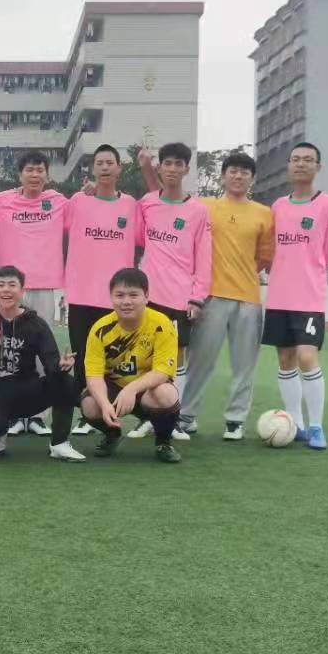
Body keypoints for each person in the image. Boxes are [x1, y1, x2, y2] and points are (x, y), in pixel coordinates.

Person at [141, 152, 273, 440]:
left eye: (245, 172)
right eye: (233, 171)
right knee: (199, 361)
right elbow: (163, 200)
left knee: (244, 364)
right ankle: (185, 415)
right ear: (223, 176)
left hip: (249, 299)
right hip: (211, 298)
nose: (238, 176)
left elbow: (264, 257)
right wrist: (147, 168)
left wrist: (241, 272)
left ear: (252, 178)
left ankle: (235, 421)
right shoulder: (204, 207)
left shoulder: (264, 213)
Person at [0, 151, 69, 437]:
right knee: (9, 349)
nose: (35, 175)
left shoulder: (58, 201)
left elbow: (82, 208)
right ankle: (13, 413)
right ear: (20, 174)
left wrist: (88, 190)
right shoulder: (1, 201)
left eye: (40, 170)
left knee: (41, 352)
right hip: (9, 288)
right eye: (29, 170)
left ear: (47, 175)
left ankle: (37, 417)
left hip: (45, 283)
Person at [130, 142, 211, 442]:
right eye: (168, 163)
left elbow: (205, 258)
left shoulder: (198, 211)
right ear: (160, 167)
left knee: (176, 361)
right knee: (146, 359)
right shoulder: (147, 203)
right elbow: (139, 238)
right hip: (148, 297)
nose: (173, 169)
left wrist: (197, 298)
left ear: (187, 169)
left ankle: (172, 419)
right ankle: (147, 418)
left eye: (179, 164)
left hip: (179, 298)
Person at [262, 142, 328, 450]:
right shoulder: (278, 206)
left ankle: (317, 426)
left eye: (308, 160)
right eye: (295, 159)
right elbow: (272, 248)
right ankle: (296, 423)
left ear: (318, 167)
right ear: (288, 166)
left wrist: (311, 272)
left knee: (307, 357)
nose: (301, 164)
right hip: (279, 295)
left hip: (309, 296)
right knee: (285, 359)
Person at [0, 266, 84, 461]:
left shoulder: (35, 323)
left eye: (12, 285)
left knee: (66, 382)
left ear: (22, 291)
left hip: (27, 390)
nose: (6, 289)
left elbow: (51, 362)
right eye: (1, 285)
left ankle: (59, 443)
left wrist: (61, 365)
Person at [63, 144, 141, 435]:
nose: (105, 167)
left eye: (110, 162)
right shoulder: (78, 201)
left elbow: (144, 239)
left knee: (116, 360)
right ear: (93, 169)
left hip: (117, 299)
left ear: (120, 168)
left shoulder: (131, 205)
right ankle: (88, 414)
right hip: (81, 295)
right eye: (100, 163)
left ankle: (118, 410)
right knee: (84, 358)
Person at [80, 268, 183, 463]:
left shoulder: (162, 324)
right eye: (119, 295)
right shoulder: (100, 329)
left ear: (146, 296)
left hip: (147, 391)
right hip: (115, 390)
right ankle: (112, 434)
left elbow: (162, 372)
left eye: (133, 295)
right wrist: (104, 404)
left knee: (166, 394)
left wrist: (131, 389)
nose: (126, 301)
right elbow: (93, 375)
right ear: (111, 297)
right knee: (90, 404)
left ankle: (163, 442)